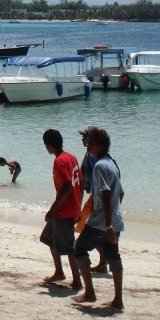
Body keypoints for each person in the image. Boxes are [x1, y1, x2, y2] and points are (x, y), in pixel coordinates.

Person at [72, 128, 125, 309]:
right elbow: (121, 193)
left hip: (103, 221)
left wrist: (107, 224)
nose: (88, 145)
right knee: (114, 256)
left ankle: (90, 292)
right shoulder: (112, 163)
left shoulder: (100, 166)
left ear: (101, 145)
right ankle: (118, 299)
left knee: (79, 248)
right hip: (114, 219)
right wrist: (113, 217)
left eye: (91, 143)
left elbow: (105, 192)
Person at [40, 129, 82, 288]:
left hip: (64, 211)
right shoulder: (72, 157)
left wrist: (52, 210)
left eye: (46, 145)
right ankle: (59, 271)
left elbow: (66, 187)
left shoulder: (59, 161)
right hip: (69, 208)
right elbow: (81, 183)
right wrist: (79, 205)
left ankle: (77, 280)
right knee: (48, 237)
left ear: (49, 145)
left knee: (69, 246)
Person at [76, 127, 108, 274]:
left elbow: (98, 181)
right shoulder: (91, 155)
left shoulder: (94, 158)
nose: (83, 139)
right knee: (88, 228)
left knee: (85, 228)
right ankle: (103, 261)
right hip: (94, 197)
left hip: (95, 197)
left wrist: (95, 203)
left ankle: (103, 260)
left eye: (85, 137)